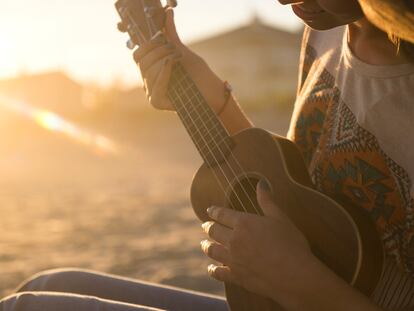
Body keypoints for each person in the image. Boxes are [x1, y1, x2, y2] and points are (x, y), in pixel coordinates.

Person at [1, 0, 413, 310]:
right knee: (49, 279)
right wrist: (205, 94)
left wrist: (295, 278)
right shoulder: (328, 30)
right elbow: (298, 193)